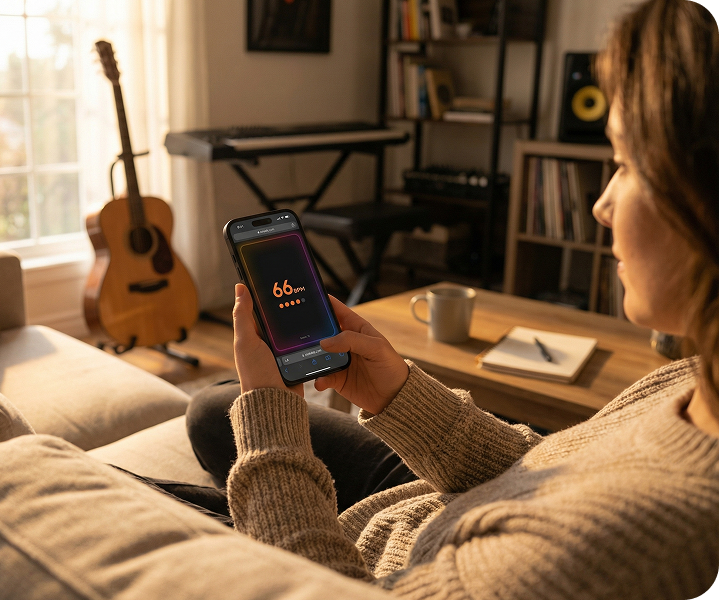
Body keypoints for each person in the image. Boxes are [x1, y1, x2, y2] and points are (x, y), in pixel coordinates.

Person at [183, 0, 719, 597]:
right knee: (212, 408)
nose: (600, 205)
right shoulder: (693, 380)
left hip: (392, 557)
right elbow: (546, 467)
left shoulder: (634, 544)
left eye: (625, 162)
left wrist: (273, 433)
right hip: (443, 507)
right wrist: (399, 395)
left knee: (230, 430)